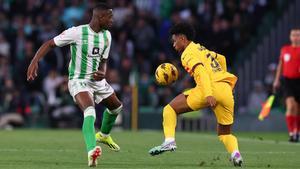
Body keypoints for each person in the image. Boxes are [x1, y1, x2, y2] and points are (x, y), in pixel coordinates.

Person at [27, 3, 122, 167]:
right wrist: (34, 60)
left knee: (116, 108)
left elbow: (104, 61)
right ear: (100, 17)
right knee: (90, 111)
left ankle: (104, 135)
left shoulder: (107, 36)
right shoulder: (77, 32)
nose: (112, 20)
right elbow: (50, 43)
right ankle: (92, 151)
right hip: (78, 79)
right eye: (110, 17)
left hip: (97, 81)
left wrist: (102, 72)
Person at [149, 23, 243, 167]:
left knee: (170, 109)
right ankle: (236, 154)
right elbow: (222, 59)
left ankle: (169, 141)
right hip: (226, 90)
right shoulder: (201, 48)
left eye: (175, 41)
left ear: (182, 38)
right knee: (225, 133)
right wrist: (224, 81)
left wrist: (209, 94)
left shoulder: (187, 54)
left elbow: (201, 72)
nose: (174, 44)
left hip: (209, 89)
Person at [273, 28, 300, 142]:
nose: (295, 37)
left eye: (298, 35)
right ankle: (291, 133)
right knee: (290, 105)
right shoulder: (285, 49)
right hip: (287, 81)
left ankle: (296, 132)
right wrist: (276, 80)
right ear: (290, 36)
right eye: (293, 35)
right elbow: (280, 65)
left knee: (298, 108)